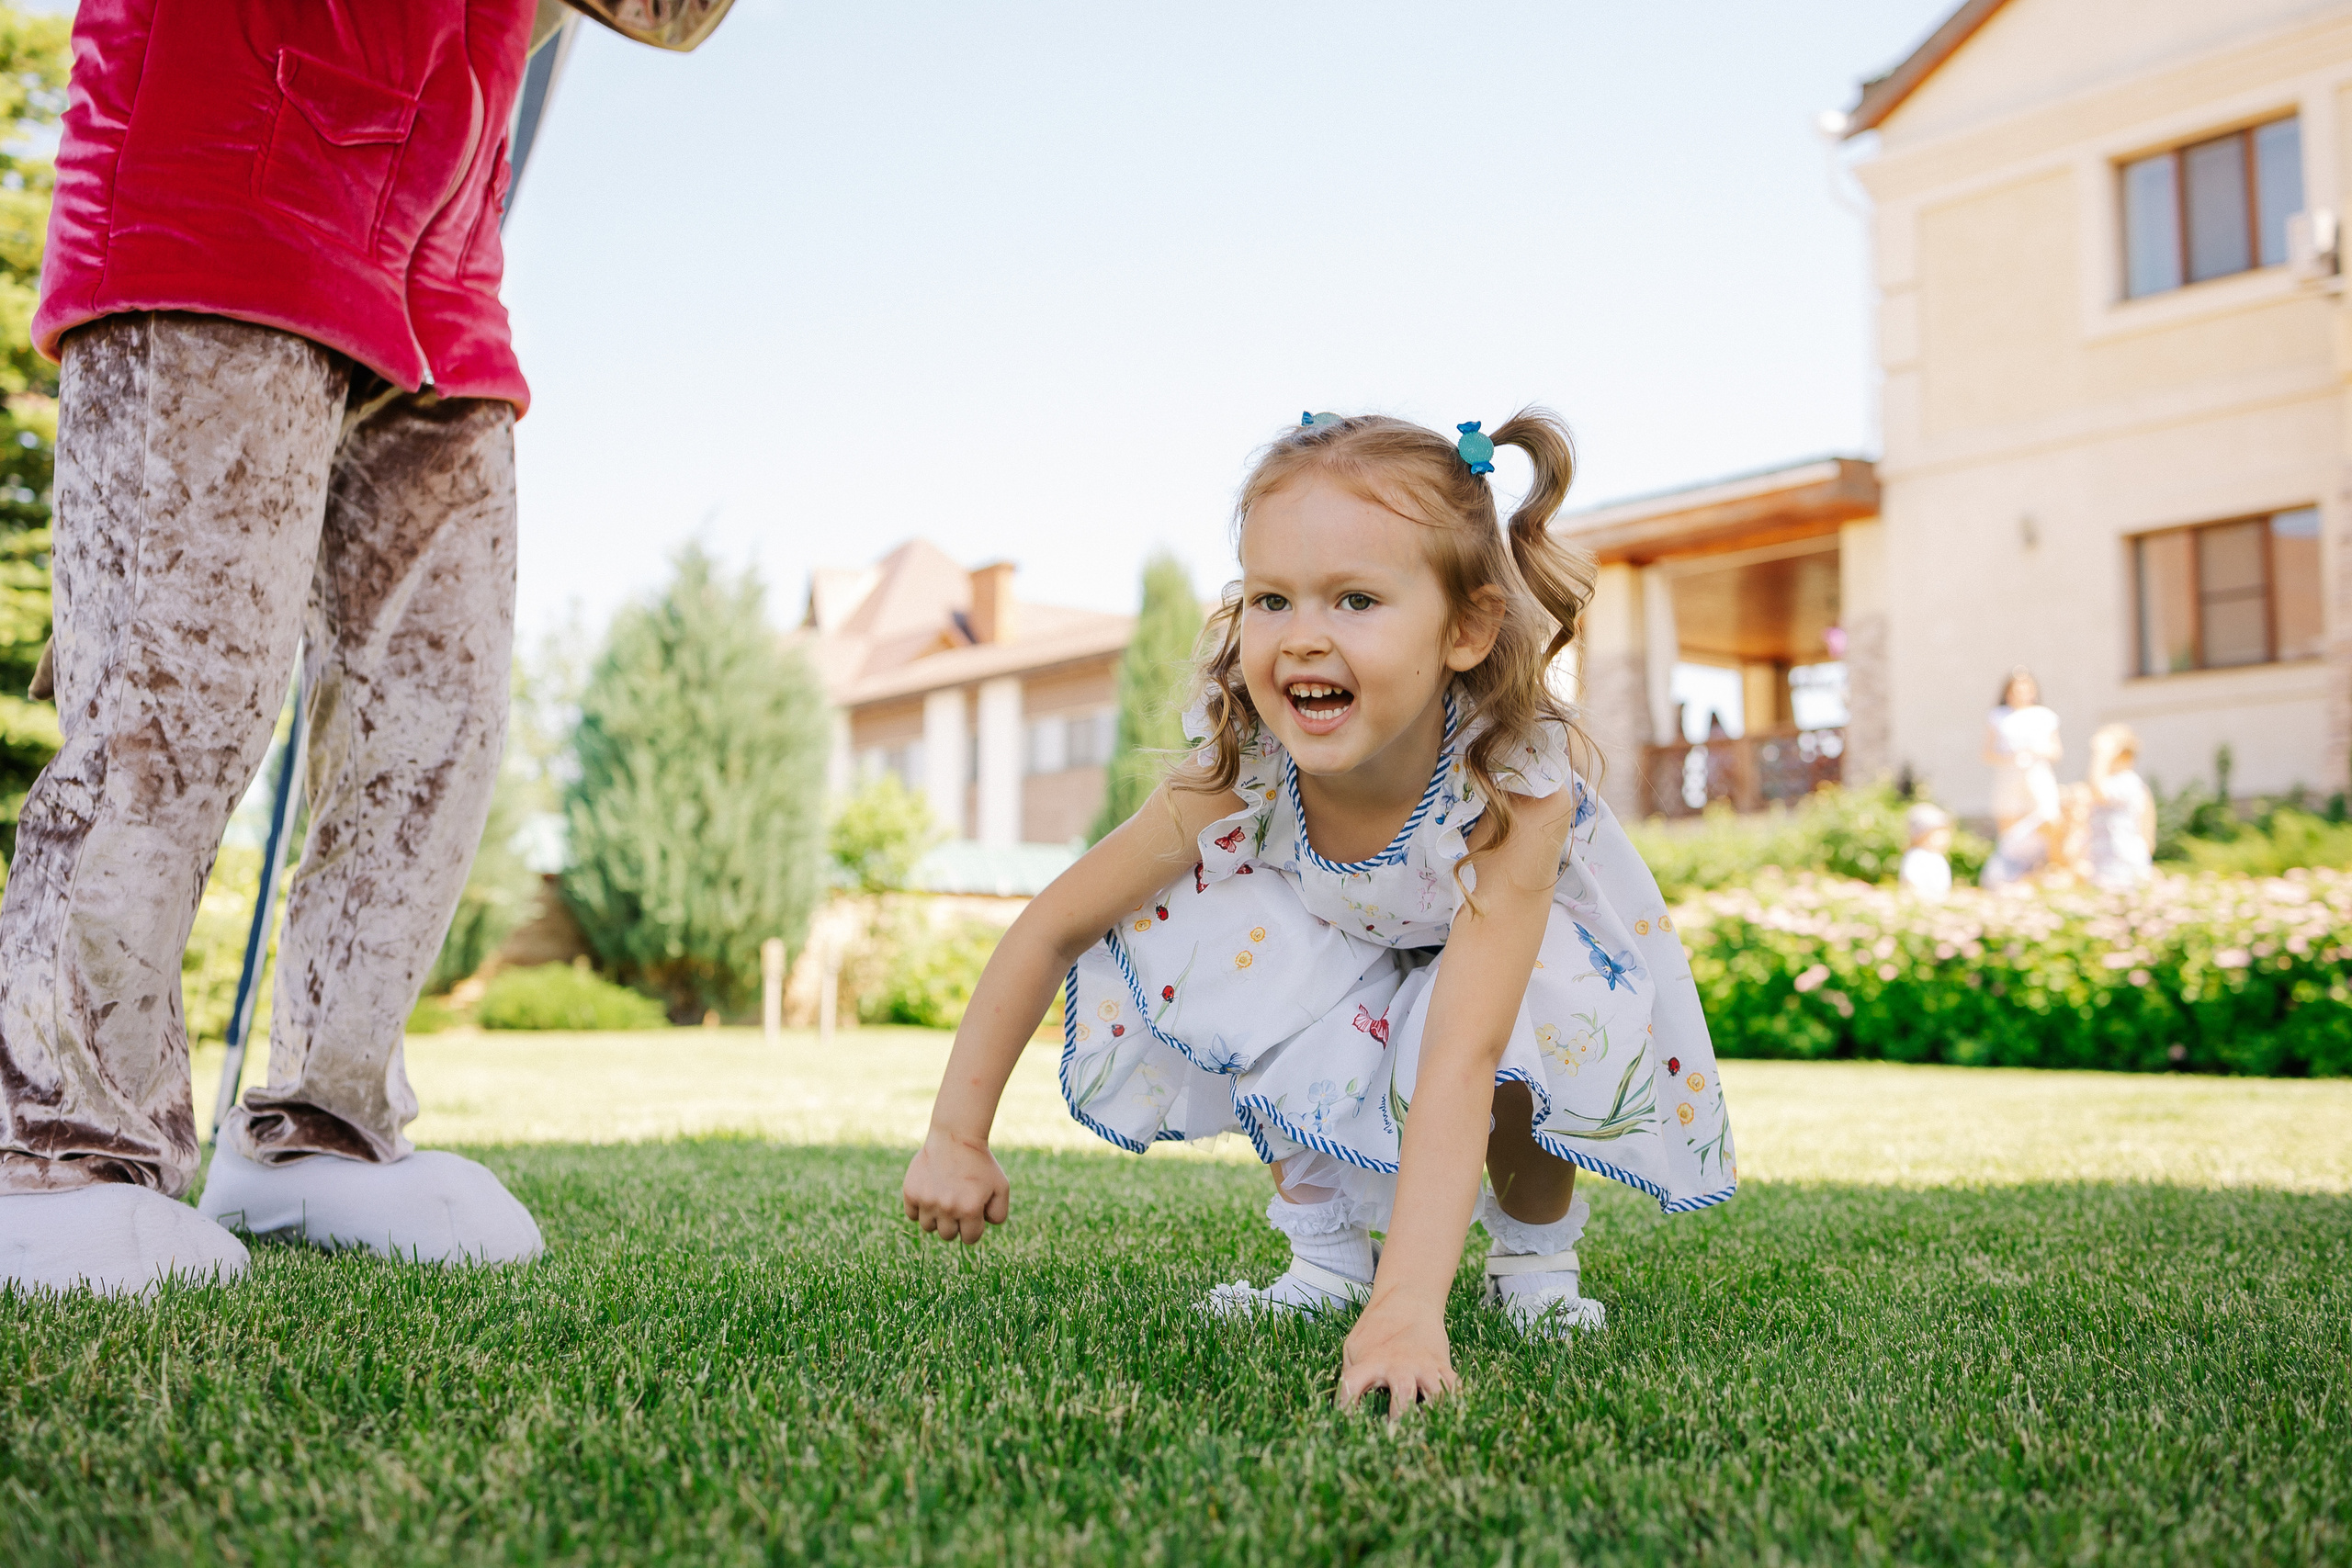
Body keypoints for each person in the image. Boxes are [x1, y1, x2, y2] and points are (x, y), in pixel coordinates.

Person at [0, 1, 730, 1297]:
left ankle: (319, 1130)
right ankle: (58, 1150)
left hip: (442, 271)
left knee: (434, 724)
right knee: (179, 700)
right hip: (221, 181)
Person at [900, 411, 1736, 1412]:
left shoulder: (1512, 792)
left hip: (1517, 970)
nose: (1302, 635)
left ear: (1464, 629)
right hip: (1354, 937)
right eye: (1270, 598)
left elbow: (1459, 1056)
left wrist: (1409, 1308)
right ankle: (1324, 1257)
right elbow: (1053, 924)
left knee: (1528, 1020)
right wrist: (956, 1132)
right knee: (1231, 939)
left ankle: (1534, 1264)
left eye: (1355, 599)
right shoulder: (1243, 767)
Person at [1980, 667, 2061, 889]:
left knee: (2047, 816)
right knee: (2009, 824)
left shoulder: (2044, 716)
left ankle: (2046, 869)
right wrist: (2011, 755)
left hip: (2036, 772)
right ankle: (2009, 873)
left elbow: (2056, 751)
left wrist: (2036, 751)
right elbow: (1987, 752)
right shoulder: (1998, 717)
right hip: (2009, 773)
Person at [2084, 723, 2155, 892]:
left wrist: (2101, 755)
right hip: (2108, 867)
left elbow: (2097, 791)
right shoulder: (2118, 781)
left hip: (2123, 869)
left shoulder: (2127, 781)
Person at [1899, 803, 1953, 901]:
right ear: (1922, 836)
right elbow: (1912, 883)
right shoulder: (1917, 856)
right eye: (1938, 835)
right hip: (1921, 904)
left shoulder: (1937, 857)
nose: (1944, 840)